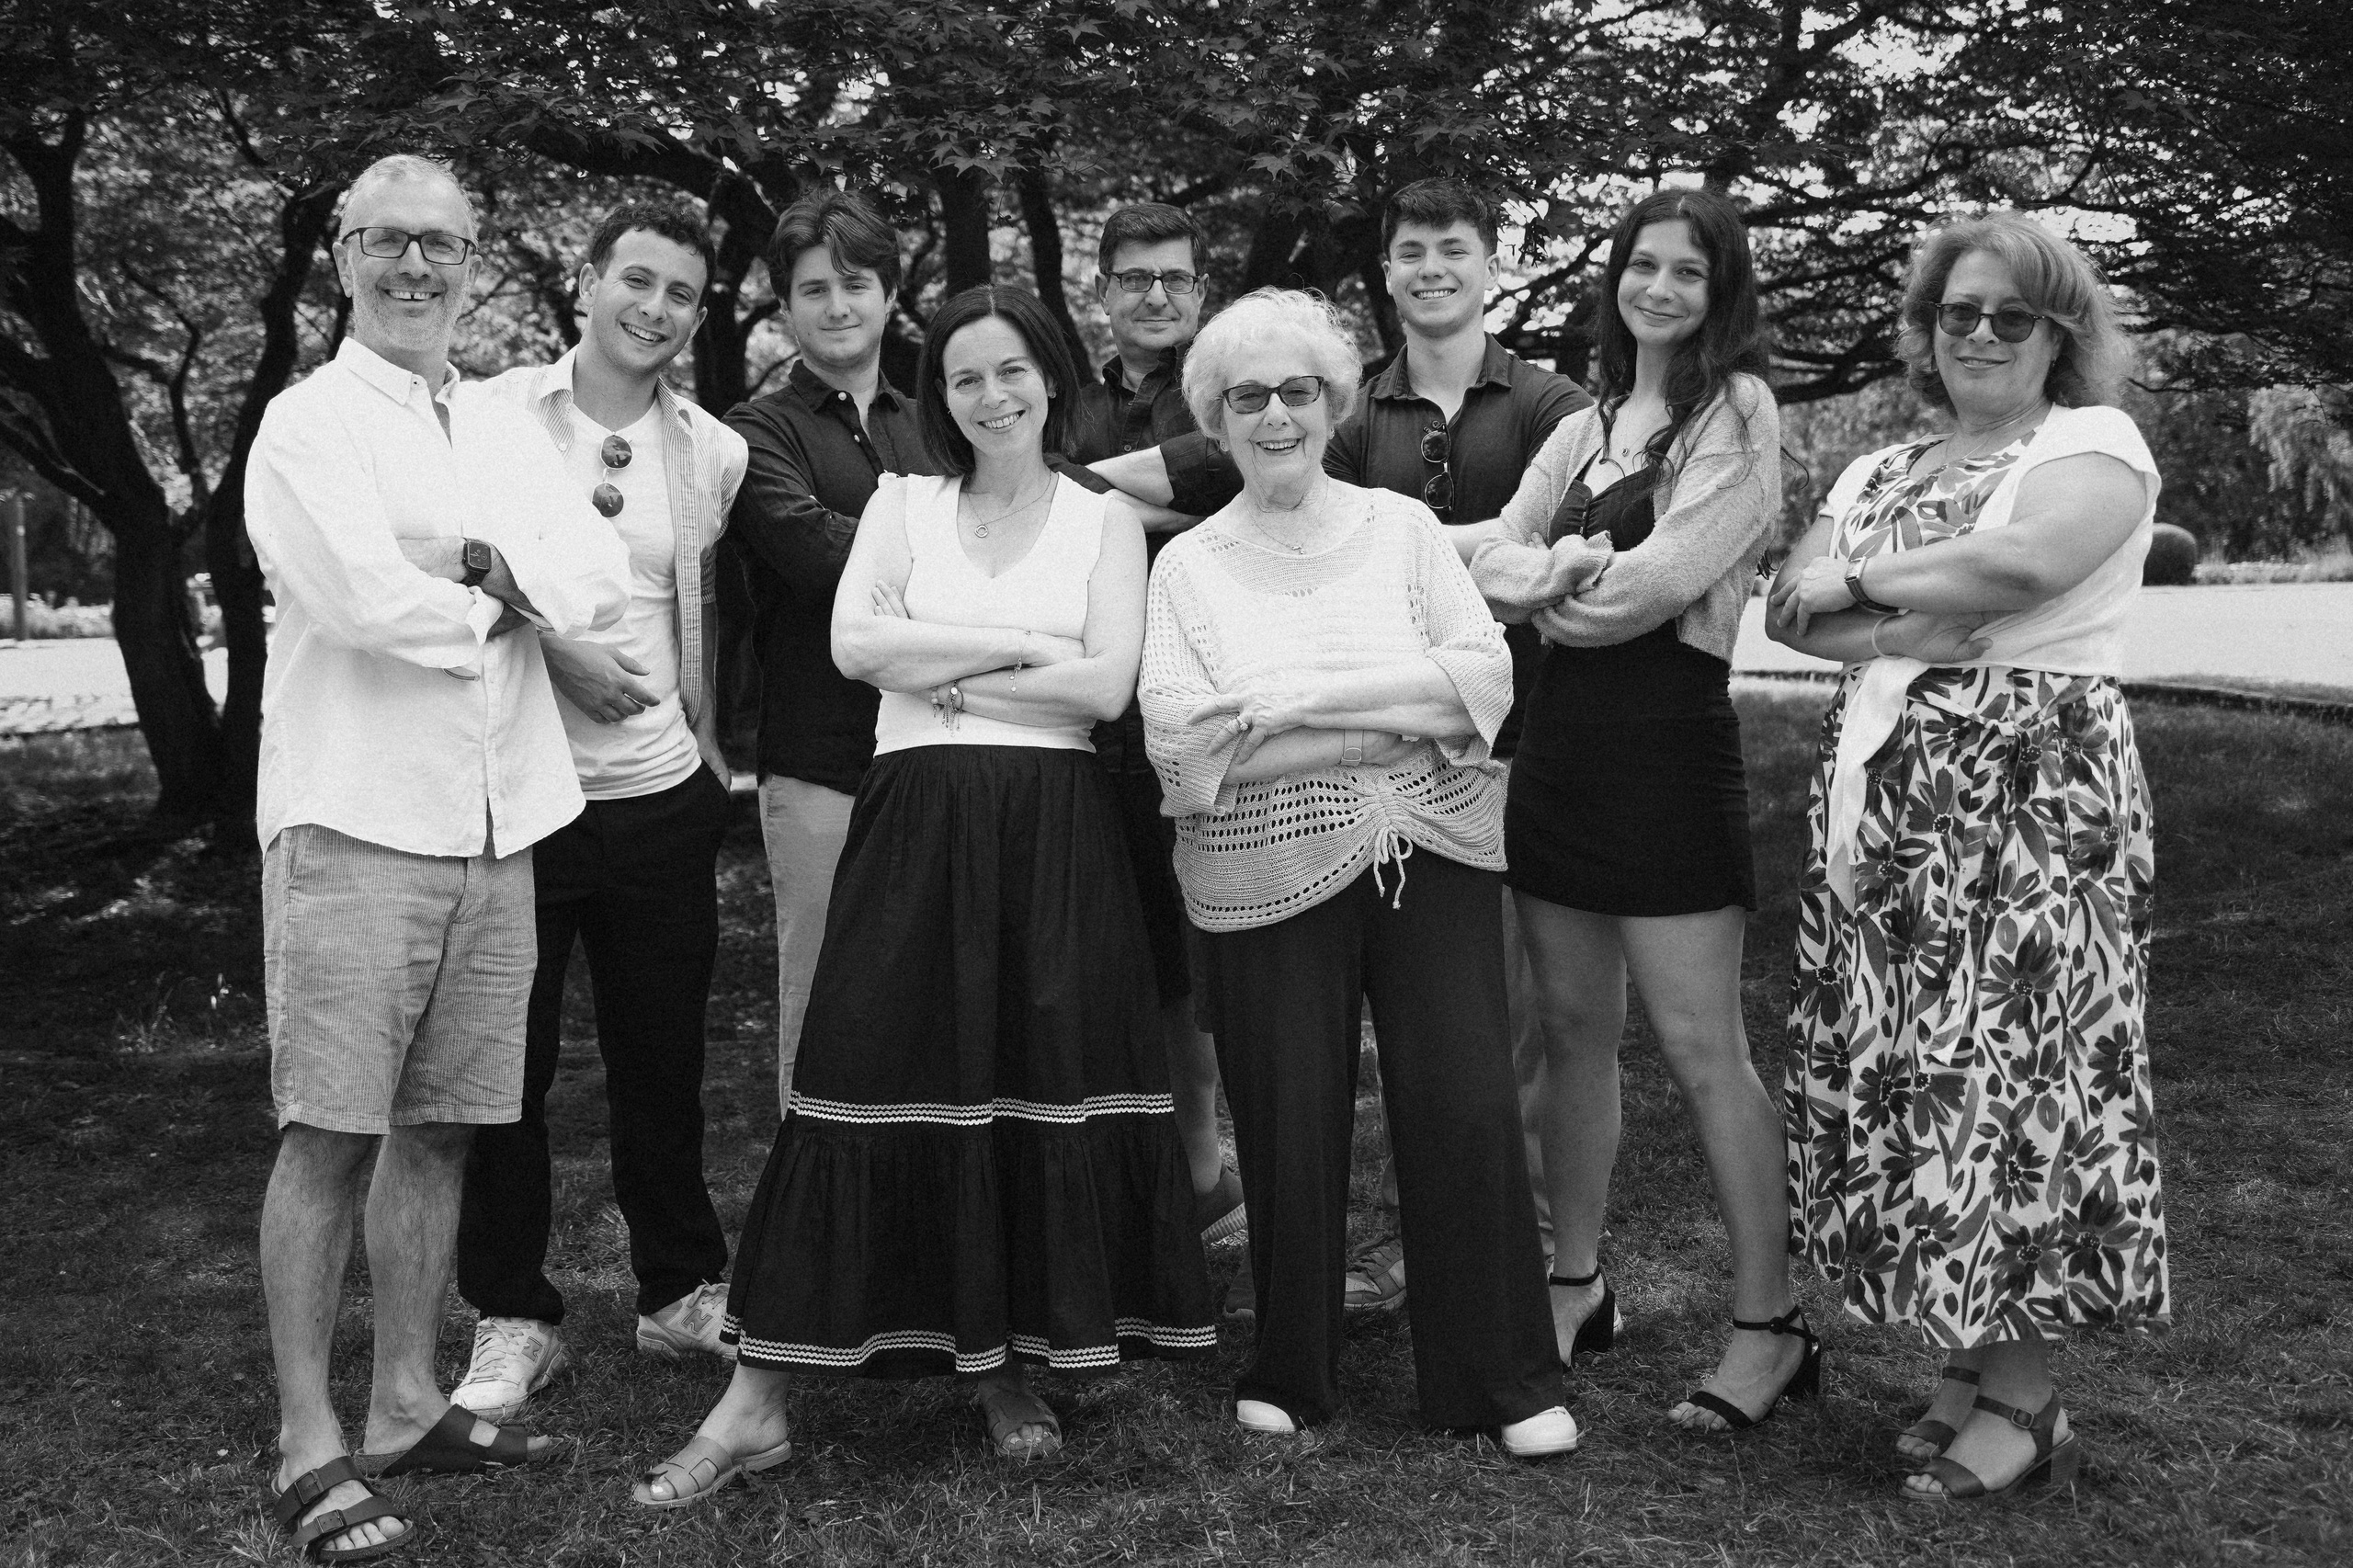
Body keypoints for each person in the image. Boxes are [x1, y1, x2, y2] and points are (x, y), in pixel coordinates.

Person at [629, 285, 1211, 1506]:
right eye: (964, 377)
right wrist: (1025, 651)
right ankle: (755, 1401)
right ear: (938, 395)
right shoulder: (900, 502)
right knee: (859, 1076)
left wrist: (939, 661)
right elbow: (856, 649)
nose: (992, 396)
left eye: (1012, 371)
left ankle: (1002, 1366)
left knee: (1021, 1084)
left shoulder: (1105, 519)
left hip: (1053, 831)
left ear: (1051, 376)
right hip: (914, 818)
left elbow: (1105, 688)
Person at [245, 153, 628, 1562]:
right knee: (330, 1132)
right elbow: (363, 601)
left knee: (444, 1125)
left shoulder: (506, 426)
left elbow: (593, 582)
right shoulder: (307, 425)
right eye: (389, 240)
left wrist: (474, 558)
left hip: (499, 823)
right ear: (344, 253)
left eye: (443, 244)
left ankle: (407, 1399)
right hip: (357, 821)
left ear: (474, 262)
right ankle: (309, 1442)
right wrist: (501, 584)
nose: (417, 266)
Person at [1768, 210, 2168, 1502]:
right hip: (1895, 803)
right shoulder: (1880, 462)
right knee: (1920, 1066)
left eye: (2012, 316)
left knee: (2015, 1069)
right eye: (1957, 314)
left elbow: (2026, 558)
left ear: (2060, 333)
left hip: (2031, 797)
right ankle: (1969, 1359)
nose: (1981, 334)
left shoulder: (2090, 444)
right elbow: (1788, 614)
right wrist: (1906, 624)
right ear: (1925, 331)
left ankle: (2028, 1397)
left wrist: (1865, 584)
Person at [1139, 287, 1575, 1453]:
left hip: (1429, 847)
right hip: (1262, 861)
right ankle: (1292, 1362)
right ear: (1215, 418)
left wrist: (1292, 707)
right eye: (1246, 397)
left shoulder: (1403, 528)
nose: (1275, 415)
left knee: (1465, 1101)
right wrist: (1390, 717)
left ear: (1333, 401)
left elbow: (1482, 682)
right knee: (1286, 1111)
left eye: (1297, 390)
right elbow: (1186, 746)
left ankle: (1500, 1376)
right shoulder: (1187, 565)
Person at [1463, 187, 1802, 1429]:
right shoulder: (1586, 421)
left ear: (1722, 292)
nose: (1658, 288)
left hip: (1666, 749)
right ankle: (1576, 1282)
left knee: (1705, 1048)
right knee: (1569, 1030)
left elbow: (1653, 587)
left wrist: (1547, 588)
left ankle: (1769, 1325)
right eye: (1641, 265)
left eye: (1687, 272)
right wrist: (1547, 575)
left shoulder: (1739, 412)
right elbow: (1491, 553)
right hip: (1557, 749)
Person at [447, 202, 750, 1423]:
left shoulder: (711, 450)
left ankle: (678, 1289)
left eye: (681, 293)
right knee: (504, 1071)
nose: (655, 308)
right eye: (636, 278)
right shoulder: (490, 414)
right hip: (520, 793)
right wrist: (552, 643)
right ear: (584, 280)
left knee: (661, 1060)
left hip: (660, 796)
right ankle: (512, 1312)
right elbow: (451, 558)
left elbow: (702, 610)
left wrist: (710, 753)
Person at [1325, 177, 1592, 1317]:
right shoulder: (1349, 411)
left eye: (1453, 248)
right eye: (1410, 251)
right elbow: (1323, 558)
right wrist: (1476, 560)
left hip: (1527, 742)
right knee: (1415, 1013)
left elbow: (1558, 557)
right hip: (1393, 750)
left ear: (1491, 264)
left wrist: (1412, 554)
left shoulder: (1551, 406)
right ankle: (1408, 1238)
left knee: (1524, 1016)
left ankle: (1525, 1245)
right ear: (1386, 271)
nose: (1431, 267)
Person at [724, 190, 939, 1124]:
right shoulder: (756, 429)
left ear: (889, 295)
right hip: (819, 764)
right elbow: (811, 553)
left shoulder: (939, 416)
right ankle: (812, 1201)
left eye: (856, 284)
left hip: (940, 752)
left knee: (933, 997)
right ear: (786, 306)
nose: (838, 306)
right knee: (822, 1004)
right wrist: (953, 547)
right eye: (814, 289)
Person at [1063, 202, 1248, 1269]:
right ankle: (1110, 1169)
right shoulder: (1068, 401)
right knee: (1097, 955)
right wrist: (1160, 512)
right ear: (1103, 290)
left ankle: (1203, 1166)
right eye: (1134, 278)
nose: (1155, 296)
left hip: (1203, 713)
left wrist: (1076, 503)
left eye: (1174, 278)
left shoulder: (1233, 394)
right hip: (1086, 723)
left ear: (1200, 290)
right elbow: (1027, 517)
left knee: (1195, 965)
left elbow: (1233, 488)